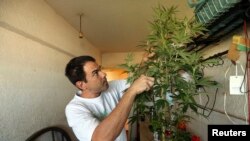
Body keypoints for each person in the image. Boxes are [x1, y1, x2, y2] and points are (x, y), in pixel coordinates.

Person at [64, 55, 154, 141]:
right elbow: (101, 139)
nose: (103, 74)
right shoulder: (74, 109)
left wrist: (145, 61)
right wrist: (131, 92)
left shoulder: (112, 87)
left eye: (100, 69)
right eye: (95, 73)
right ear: (82, 84)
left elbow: (136, 80)